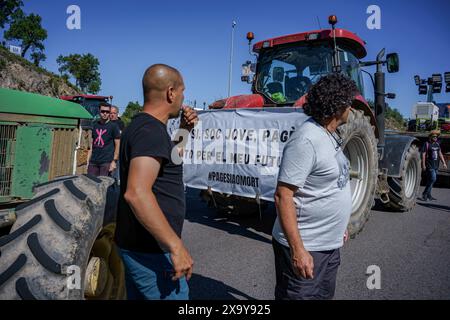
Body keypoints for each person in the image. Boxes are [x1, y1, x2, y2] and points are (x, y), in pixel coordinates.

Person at [114, 64, 198, 300]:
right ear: (171, 93)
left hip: (140, 247)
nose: (183, 97)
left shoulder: (144, 127)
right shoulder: (150, 131)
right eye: (182, 91)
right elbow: (137, 193)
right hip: (151, 251)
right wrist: (176, 246)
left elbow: (170, 162)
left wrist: (184, 130)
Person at [272, 73, 356, 300]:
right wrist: (298, 250)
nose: (351, 107)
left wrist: (339, 226)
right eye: (349, 102)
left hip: (329, 244)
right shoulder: (306, 140)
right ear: (338, 106)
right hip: (308, 246)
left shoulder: (329, 134)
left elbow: (331, 185)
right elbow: (283, 196)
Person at [87, 103, 121, 177]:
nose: (105, 113)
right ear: (99, 111)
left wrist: (114, 161)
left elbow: (118, 145)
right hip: (93, 161)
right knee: (90, 185)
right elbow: (91, 144)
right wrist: (88, 160)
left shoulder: (114, 127)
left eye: (107, 112)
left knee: (104, 186)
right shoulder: (95, 125)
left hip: (106, 162)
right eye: (103, 111)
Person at [419, 130, 447, 201]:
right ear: (430, 137)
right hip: (429, 165)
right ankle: (425, 193)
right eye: (434, 136)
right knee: (433, 179)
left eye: (436, 136)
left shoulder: (437, 144)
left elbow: (440, 154)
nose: (435, 138)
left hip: (436, 166)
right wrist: (423, 165)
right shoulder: (427, 144)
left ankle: (429, 195)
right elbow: (423, 154)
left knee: (430, 180)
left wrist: (444, 163)